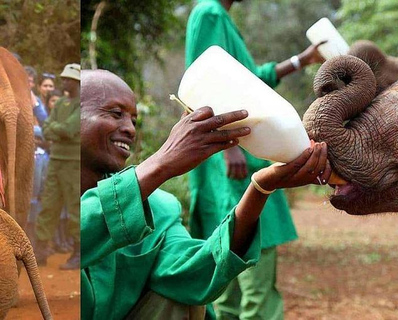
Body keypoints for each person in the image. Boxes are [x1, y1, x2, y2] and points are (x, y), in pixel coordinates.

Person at [80, 69, 332, 320]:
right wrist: (161, 163)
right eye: (116, 114)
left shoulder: (158, 210)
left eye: (134, 121)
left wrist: (260, 188)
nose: (130, 130)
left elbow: (196, 272)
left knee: (178, 297)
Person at [185, 0, 325, 318]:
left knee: (227, 283)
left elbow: (253, 79)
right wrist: (229, 147)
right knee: (252, 273)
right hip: (233, 163)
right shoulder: (209, 13)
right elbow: (204, 83)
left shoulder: (219, 18)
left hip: (239, 153)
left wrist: (302, 60)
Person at [34, 63, 81, 270]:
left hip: (73, 163)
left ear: (77, 82)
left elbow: (70, 130)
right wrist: (57, 130)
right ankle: (40, 251)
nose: (63, 82)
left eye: (67, 79)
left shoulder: (82, 104)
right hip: (56, 161)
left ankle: (79, 252)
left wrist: (57, 130)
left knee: (74, 208)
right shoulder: (61, 102)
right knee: (48, 205)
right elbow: (46, 129)